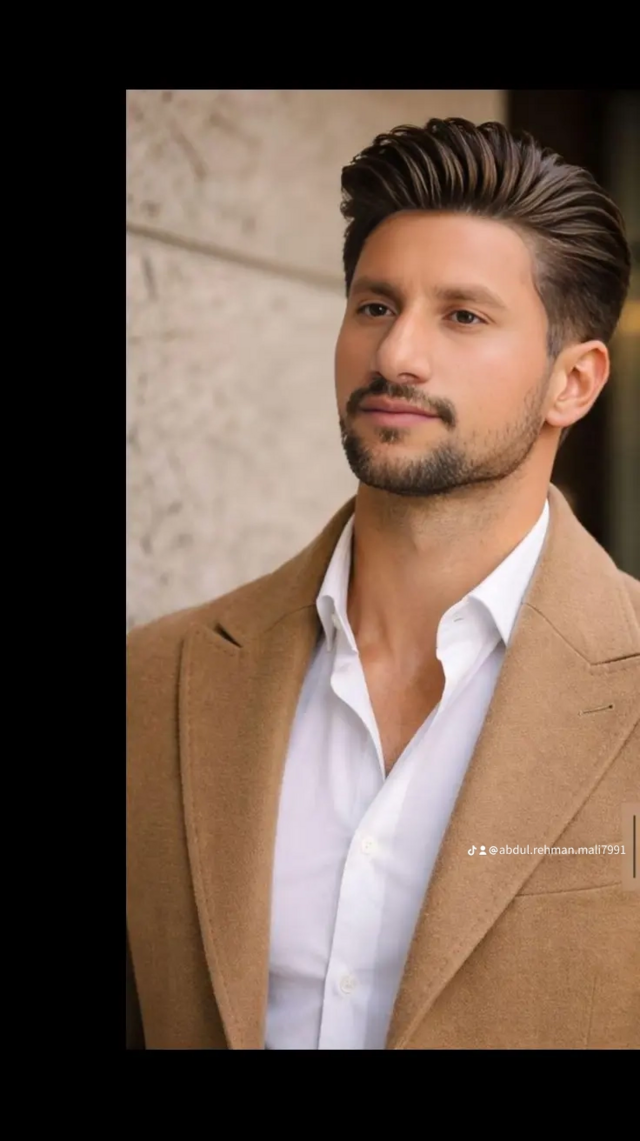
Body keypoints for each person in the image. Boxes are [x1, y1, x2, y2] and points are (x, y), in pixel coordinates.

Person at [127, 117, 639, 1050]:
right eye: (374, 305)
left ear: (573, 382)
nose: (397, 353)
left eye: (463, 316)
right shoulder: (156, 678)